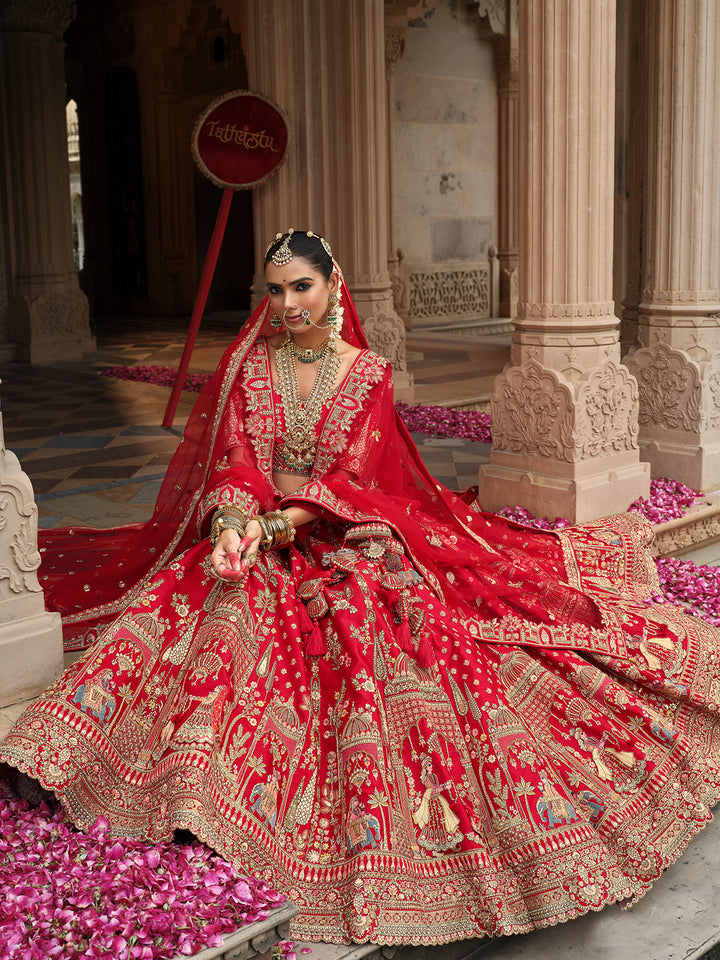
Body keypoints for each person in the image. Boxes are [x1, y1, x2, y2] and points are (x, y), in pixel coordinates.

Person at [2, 229, 720, 947]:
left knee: (381, 630)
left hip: (341, 535)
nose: (287, 304)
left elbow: (352, 478)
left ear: (333, 284)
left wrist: (281, 526)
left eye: (301, 287)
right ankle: (179, 779)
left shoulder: (366, 374)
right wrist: (230, 524)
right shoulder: (252, 370)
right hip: (254, 530)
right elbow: (234, 459)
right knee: (206, 598)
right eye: (275, 290)